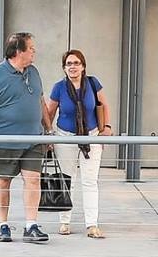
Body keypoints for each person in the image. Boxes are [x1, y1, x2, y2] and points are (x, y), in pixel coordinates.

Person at [43, 48, 112, 238]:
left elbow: (104, 105)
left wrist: (106, 128)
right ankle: (64, 222)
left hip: (91, 136)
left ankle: (92, 225)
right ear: (64, 68)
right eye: (69, 64)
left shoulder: (92, 83)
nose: (73, 67)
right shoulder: (59, 87)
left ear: (83, 66)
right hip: (65, 136)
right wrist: (48, 135)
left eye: (76, 63)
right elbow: (49, 112)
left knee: (90, 181)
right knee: (67, 179)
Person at [0, 32, 49, 244]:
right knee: (3, 181)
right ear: (18, 51)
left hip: (33, 139)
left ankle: (31, 225)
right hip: (4, 139)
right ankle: (3, 225)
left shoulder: (33, 72)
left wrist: (47, 131)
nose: (34, 52)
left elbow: (41, 101)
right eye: (31, 48)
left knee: (33, 179)